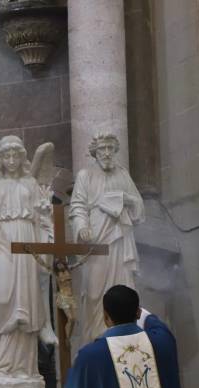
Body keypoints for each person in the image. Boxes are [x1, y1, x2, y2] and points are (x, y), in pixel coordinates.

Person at [0, 136, 50, 381]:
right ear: (0, 158)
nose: (12, 160)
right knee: (2, 295)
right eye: (7, 156)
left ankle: (23, 368)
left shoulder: (31, 182)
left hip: (27, 238)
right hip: (3, 238)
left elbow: (41, 217)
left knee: (25, 297)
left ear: (23, 157)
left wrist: (45, 211)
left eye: (16, 155)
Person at [66, 285, 187, 388]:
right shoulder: (162, 343)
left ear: (105, 317)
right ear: (137, 312)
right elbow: (157, 324)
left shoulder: (90, 357)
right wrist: (145, 315)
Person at [70, 133, 144, 348]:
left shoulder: (122, 174)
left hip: (120, 240)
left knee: (123, 286)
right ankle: (95, 341)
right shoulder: (86, 175)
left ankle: (126, 342)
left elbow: (139, 205)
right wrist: (82, 226)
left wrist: (126, 199)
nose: (107, 153)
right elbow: (77, 206)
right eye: (102, 148)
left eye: (111, 148)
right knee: (95, 293)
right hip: (97, 240)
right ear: (95, 152)